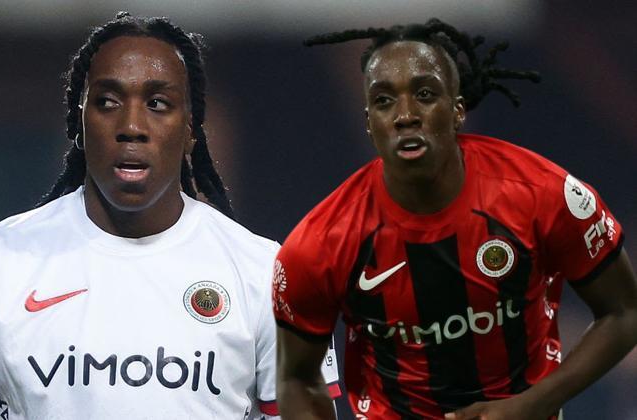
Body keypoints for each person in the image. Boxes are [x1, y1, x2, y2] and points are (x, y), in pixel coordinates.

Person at [0, 13, 339, 419]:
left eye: (158, 103)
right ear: (80, 123)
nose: (131, 126)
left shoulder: (270, 278)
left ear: (191, 129)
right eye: (108, 102)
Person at [273, 18, 637, 420]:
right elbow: (296, 380)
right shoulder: (320, 242)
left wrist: (536, 403)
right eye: (384, 101)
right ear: (369, 122)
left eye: (425, 94)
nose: (405, 115)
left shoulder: (543, 195)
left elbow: (624, 312)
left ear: (458, 109)